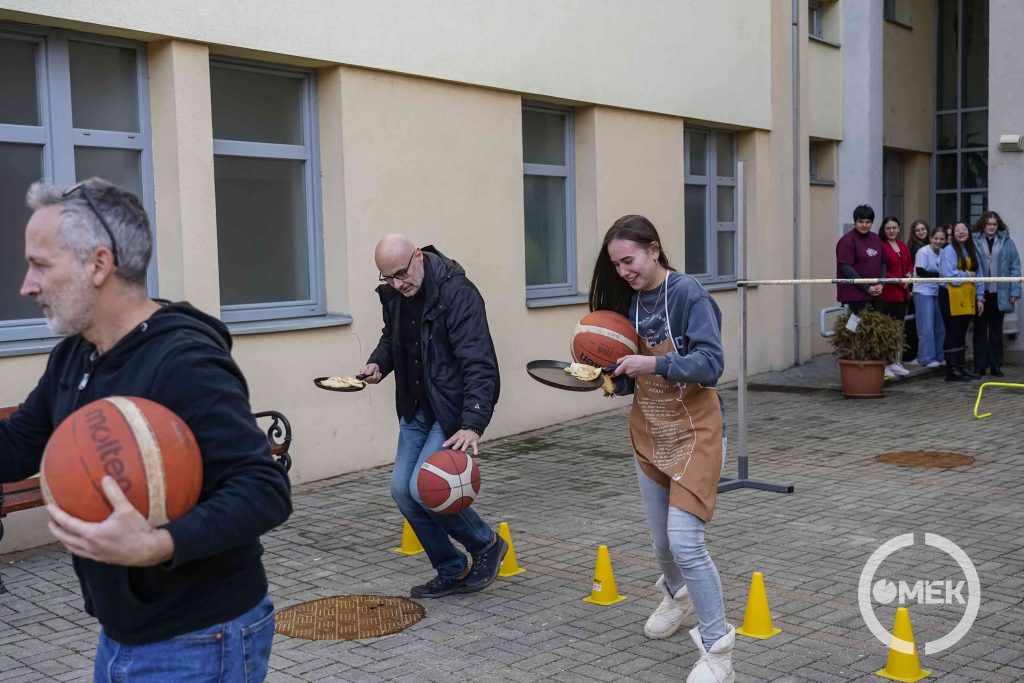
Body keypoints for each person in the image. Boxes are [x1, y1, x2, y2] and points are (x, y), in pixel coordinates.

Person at [0, 178, 292, 681]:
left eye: (41, 265)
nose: (27, 286)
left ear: (99, 264)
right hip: (122, 635)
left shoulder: (183, 359)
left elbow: (264, 490)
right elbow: (19, 446)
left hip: (200, 638)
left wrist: (159, 544)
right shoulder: (75, 355)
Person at [589, 215, 734, 683]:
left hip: (696, 433)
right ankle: (677, 595)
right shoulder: (626, 303)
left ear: (653, 249)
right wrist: (604, 375)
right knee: (661, 542)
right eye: (616, 264)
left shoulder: (688, 294)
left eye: (629, 260)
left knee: (686, 542)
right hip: (651, 432)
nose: (623, 271)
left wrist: (651, 363)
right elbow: (629, 377)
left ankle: (718, 650)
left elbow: (711, 363)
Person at [360, 235, 507, 599]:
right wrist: (378, 363)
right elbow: (392, 338)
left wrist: (472, 422)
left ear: (418, 257)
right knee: (401, 491)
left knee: (424, 489)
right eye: (387, 278)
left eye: (400, 274)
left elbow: (479, 362)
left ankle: (486, 544)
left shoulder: (458, 294)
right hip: (415, 408)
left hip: (448, 409)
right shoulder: (395, 295)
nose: (396, 284)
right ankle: (451, 568)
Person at [971, 211, 1021, 377]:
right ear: (983, 225)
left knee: (996, 331)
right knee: (979, 330)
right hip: (979, 292)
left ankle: (995, 365)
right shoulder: (974, 241)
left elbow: (1015, 266)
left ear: (998, 225)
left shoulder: (1007, 242)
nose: (991, 227)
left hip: (999, 293)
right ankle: (979, 366)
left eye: (994, 224)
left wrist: (1014, 290)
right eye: (988, 224)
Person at [939, 220, 985, 381]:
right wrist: (967, 275)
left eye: (964, 229)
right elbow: (951, 277)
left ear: (969, 232)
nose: (960, 232)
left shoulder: (972, 250)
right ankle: (951, 370)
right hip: (950, 296)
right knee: (952, 332)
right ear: (952, 234)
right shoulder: (948, 250)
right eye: (957, 230)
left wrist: (980, 297)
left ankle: (961, 366)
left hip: (968, 296)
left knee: (961, 333)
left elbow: (979, 275)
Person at [877, 216, 913, 377]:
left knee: (896, 330)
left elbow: (909, 264)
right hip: (889, 294)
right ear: (884, 230)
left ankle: (893, 362)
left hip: (903, 295)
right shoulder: (881, 246)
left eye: (894, 228)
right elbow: (883, 271)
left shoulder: (902, 245)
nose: (891, 231)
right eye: (888, 228)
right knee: (886, 330)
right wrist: (900, 281)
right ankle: (883, 363)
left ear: (899, 229)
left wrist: (909, 275)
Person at [836, 205, 886, 313]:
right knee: (855, 324)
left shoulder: (876, 239)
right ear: (855, 222)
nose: (864, 225)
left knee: (877, 324)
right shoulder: (847, 240)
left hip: (876, 295)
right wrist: (866, 288)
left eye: (868, 222)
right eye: (861, 221)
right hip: (854, 297)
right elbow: (846, 268)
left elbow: (883, 263)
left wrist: (882, 284)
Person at [913, 225, 947, 368]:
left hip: (938, 291)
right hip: (923, 292)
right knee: (926, 327)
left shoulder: (944, 252)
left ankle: (939, 356)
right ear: (930, 238)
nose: (938, 241)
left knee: (940, 326)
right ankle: (926, 358)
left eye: (942, 239)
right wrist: (940, 275)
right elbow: (920, 271)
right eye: (936, 238)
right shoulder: (923, 252)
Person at [904, 219, 932, 363]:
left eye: (923, 229)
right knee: (913, 324)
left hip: (929, 290)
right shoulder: (913, 248)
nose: (921, 232)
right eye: (917, 230)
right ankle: (910, 355)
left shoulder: (931, 245)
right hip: (916, 290)